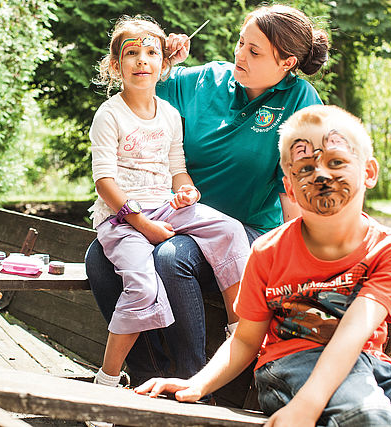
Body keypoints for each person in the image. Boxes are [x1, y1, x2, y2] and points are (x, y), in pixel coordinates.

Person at [136, 105, 391, 426]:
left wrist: (309, 406)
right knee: (368, 417)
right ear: (290, 186)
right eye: (306, 168)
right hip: (290, 364)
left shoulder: (390, 250)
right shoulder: (268, 251)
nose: (321, 175)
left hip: (367, 362)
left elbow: (354, 333)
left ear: (368, 171)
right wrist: (198, 383)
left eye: (336, 162)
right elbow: (245, 338)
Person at [86, 4, 330, 386]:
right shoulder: (205, 81)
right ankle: (147, 375)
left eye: (254, 51)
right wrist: (164, 58)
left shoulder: (300, 101)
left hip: (244, 229)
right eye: (240, 42)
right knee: (99, 256)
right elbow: (139, 88)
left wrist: (299, 259)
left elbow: (300, 189)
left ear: (287, 63)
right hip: (175, 214)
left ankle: (195, 383)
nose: (239, 54)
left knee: (171, 258)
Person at [88, 15, 251, 389]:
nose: (142, 60)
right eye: (132, 53)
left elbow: (178, 169)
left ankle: (238, 331)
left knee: (228, 229)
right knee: (143, 288)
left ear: (163, 65)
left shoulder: (171, 115)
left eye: (151, 53)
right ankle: (107, 381)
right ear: (116, 66)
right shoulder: (109, 115)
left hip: (165, 206)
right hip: (120, 218)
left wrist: (187, 191)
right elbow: (104, 181)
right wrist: (141, 224)